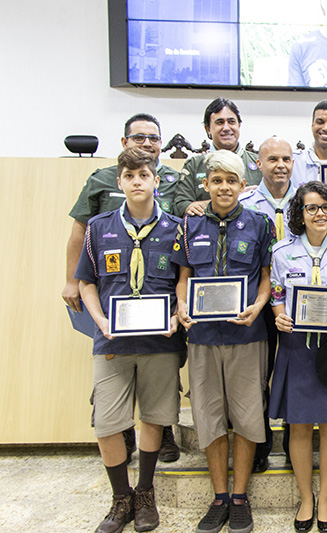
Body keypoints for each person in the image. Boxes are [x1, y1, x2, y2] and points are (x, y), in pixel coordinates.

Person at [74, 147, 185, 533]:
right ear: (120, 183)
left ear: (156, 180)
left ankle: (145, 492)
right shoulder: (99, 227)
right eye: (129, 176)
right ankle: (120, 499)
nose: (137, 182)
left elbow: (183, 279)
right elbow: (86, 282)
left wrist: (177, 314)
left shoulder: (176, 229)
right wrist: (100, 320)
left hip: (160, 342)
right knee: (107, 423)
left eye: (144, 175)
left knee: (154, 417)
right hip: (113, 342)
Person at [63, 113, 182, 464]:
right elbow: (79, 233)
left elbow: (183, 259)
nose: (146, 143)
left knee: (158, 391)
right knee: (111, 395)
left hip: (159, 305)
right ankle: (121, 440)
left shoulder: (175, 181)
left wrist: (178, 312)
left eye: (153, 138)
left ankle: (162, 435)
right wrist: (73, 279)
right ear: (123, 143)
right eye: (139, 137)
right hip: (111, 296)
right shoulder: (100, 181)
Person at [172, 150, 276, 533]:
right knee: (209, 417)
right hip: (201, 336)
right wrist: (182, 304)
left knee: (248, 416)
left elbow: (267, 276)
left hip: (247, 334)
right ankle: (219, 496)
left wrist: (259, 305)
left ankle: (240, 496)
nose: (224, 187)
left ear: (242, 186)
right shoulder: (189, 226)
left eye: (231, 181)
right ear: (206, 185)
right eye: (217, 180)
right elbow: (183, 276)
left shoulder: (260, 223)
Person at [269, 181, 327, 533]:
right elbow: (277, 293)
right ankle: (305, 497)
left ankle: (324, 498)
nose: (319, 213)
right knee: (300, 426)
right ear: (300, 213)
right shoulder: (281, 253)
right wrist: (278, 313)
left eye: (325, 207)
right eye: (311, 208)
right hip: (297, 348)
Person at [239, 136, 297, 472]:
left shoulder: (307, 200)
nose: (280, 165)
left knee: (291, 373)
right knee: (258, 376)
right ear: (258, 164)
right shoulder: (245, 203)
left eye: (286, 159)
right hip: (259, 303)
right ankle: (260, 443)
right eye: (272, 159)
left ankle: (294, 441)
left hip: (296, 303)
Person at [173, 98, 262, 217]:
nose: (226, 128)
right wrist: (237, 198)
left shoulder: (258, 164)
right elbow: (181, 206)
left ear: (239, 125)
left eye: (231, 122)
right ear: (208, 129)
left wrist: (205, 205)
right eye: (220, 122)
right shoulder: (195, 164)